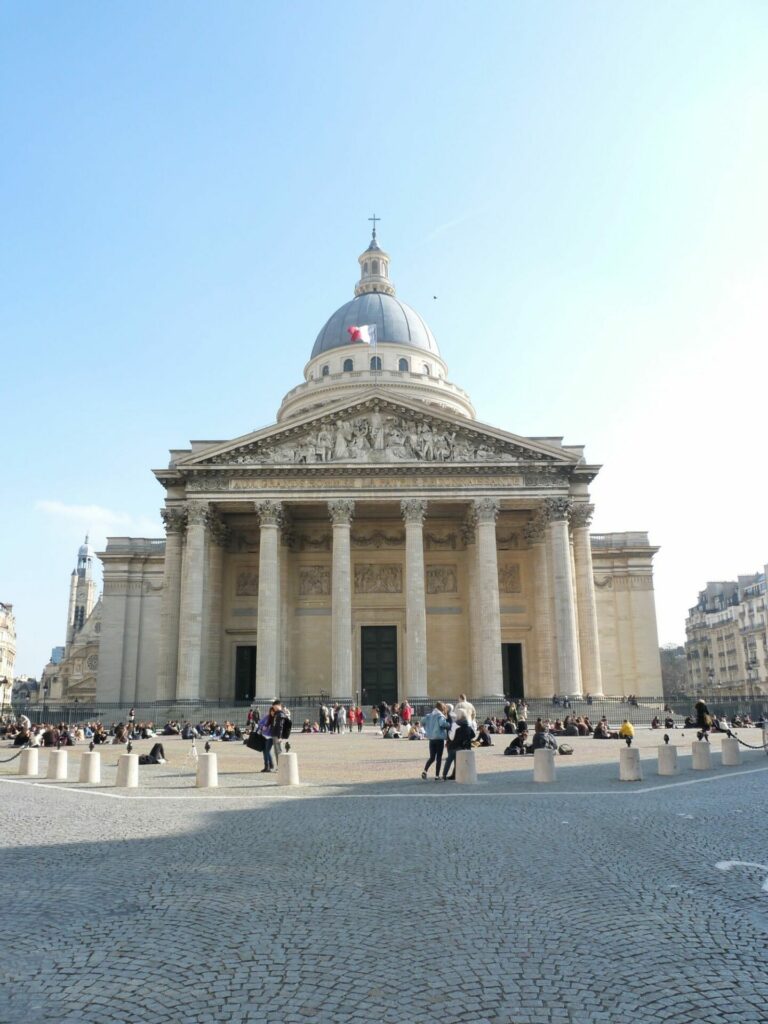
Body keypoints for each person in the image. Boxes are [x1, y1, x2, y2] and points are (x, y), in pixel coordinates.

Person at [442, 709, 474, 781]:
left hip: (454, 745)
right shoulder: (468, 724)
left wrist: (449, 733)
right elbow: (473, 734)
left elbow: (451, 737)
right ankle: (455, 775)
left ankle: (444, 775)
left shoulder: (455, 724)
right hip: (464, 747)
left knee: (449, 760)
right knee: (458, 761)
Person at [421, 702, 448, 780]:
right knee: (439, 757)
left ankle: (425, 771)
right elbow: (442, 724)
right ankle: (437, 775)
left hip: (432, 739)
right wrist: (449, 725)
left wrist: (428, 728)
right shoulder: (440, 716)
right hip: (439, 739)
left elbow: (422, 721)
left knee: (432, 757)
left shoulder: (429, 715)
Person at [257, 707, 277, 772]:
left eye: (273, 711)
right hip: (264, 736)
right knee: (264, 751)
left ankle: (269, 766)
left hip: (270, 737)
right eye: (271, 711)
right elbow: (260, 723)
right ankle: (268, 766)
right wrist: (263, 727)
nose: (272, 712)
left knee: (267, 751)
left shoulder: (276, 718)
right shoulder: (267, 717)